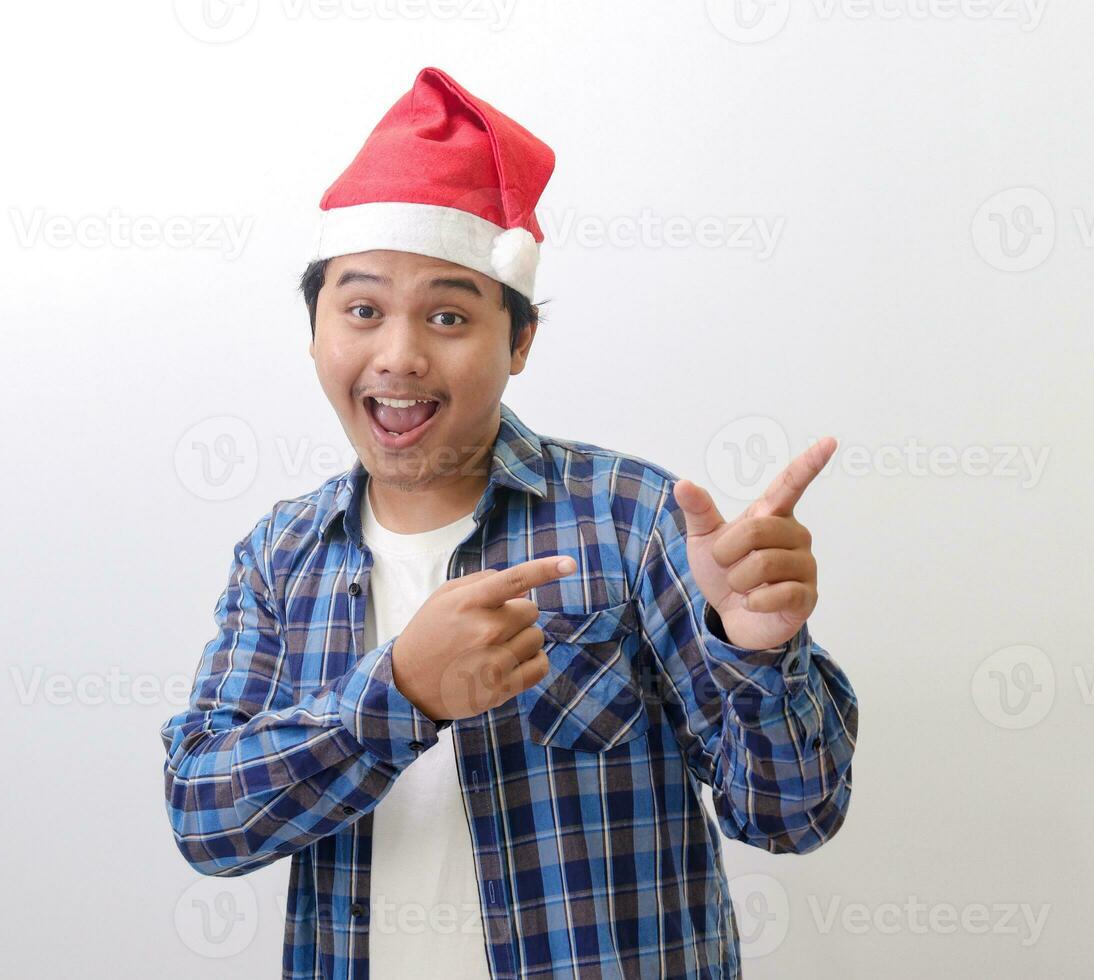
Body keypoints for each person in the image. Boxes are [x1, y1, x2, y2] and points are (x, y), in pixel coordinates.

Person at [159, 65, 858, 980]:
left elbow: (792, 818)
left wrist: (757, 652)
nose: (399, 355)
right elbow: (208, 823)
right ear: (317, 331)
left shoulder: (634, 522)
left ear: (519, 340)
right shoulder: (281, 559)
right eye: (362, 310)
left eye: (449, 315)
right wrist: (402, 693)